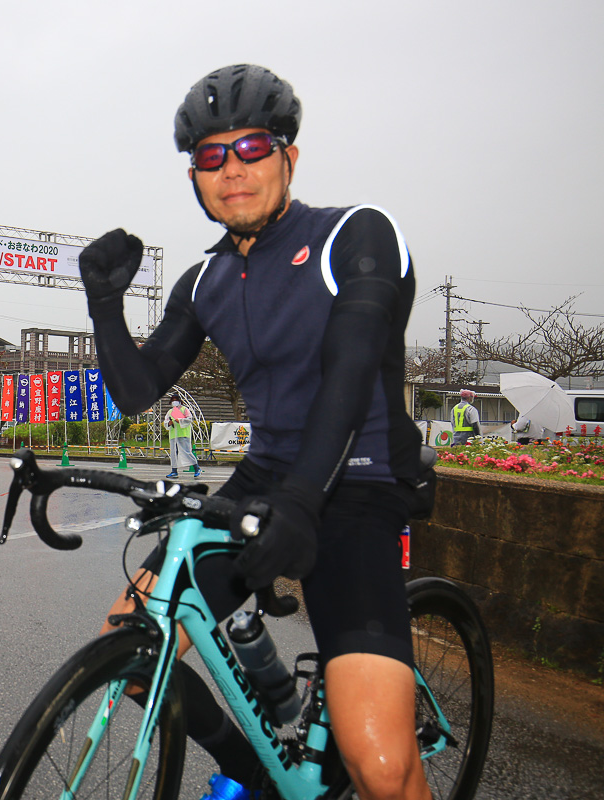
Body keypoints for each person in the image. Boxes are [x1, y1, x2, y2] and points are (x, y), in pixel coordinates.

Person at [78, 65, 433, 799]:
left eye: (251, 148)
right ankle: (262, 777)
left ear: (288, 157)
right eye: (211, 156)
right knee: (130, 642)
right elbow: (138, 390)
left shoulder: (354, 233)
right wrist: (103, 305)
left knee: (382, 769)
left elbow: (351, 367)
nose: (231, 169)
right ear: (194, 176)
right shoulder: (204, 281)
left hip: (358, 479)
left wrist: (306, 502)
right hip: (267, 478)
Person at [162, 393, 200, 479]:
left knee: (186, 452)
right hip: (173, 435)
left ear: (179, 401)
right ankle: (174, 471)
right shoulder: (170, 412)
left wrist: (180, 420)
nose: (174, 402)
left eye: (176, 400)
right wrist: (169, 423)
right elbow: (166, 422)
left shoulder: (184, 409)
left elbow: (189, 419)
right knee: (173, 454)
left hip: (183, 434)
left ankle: (197, 468)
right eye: (173, 400)